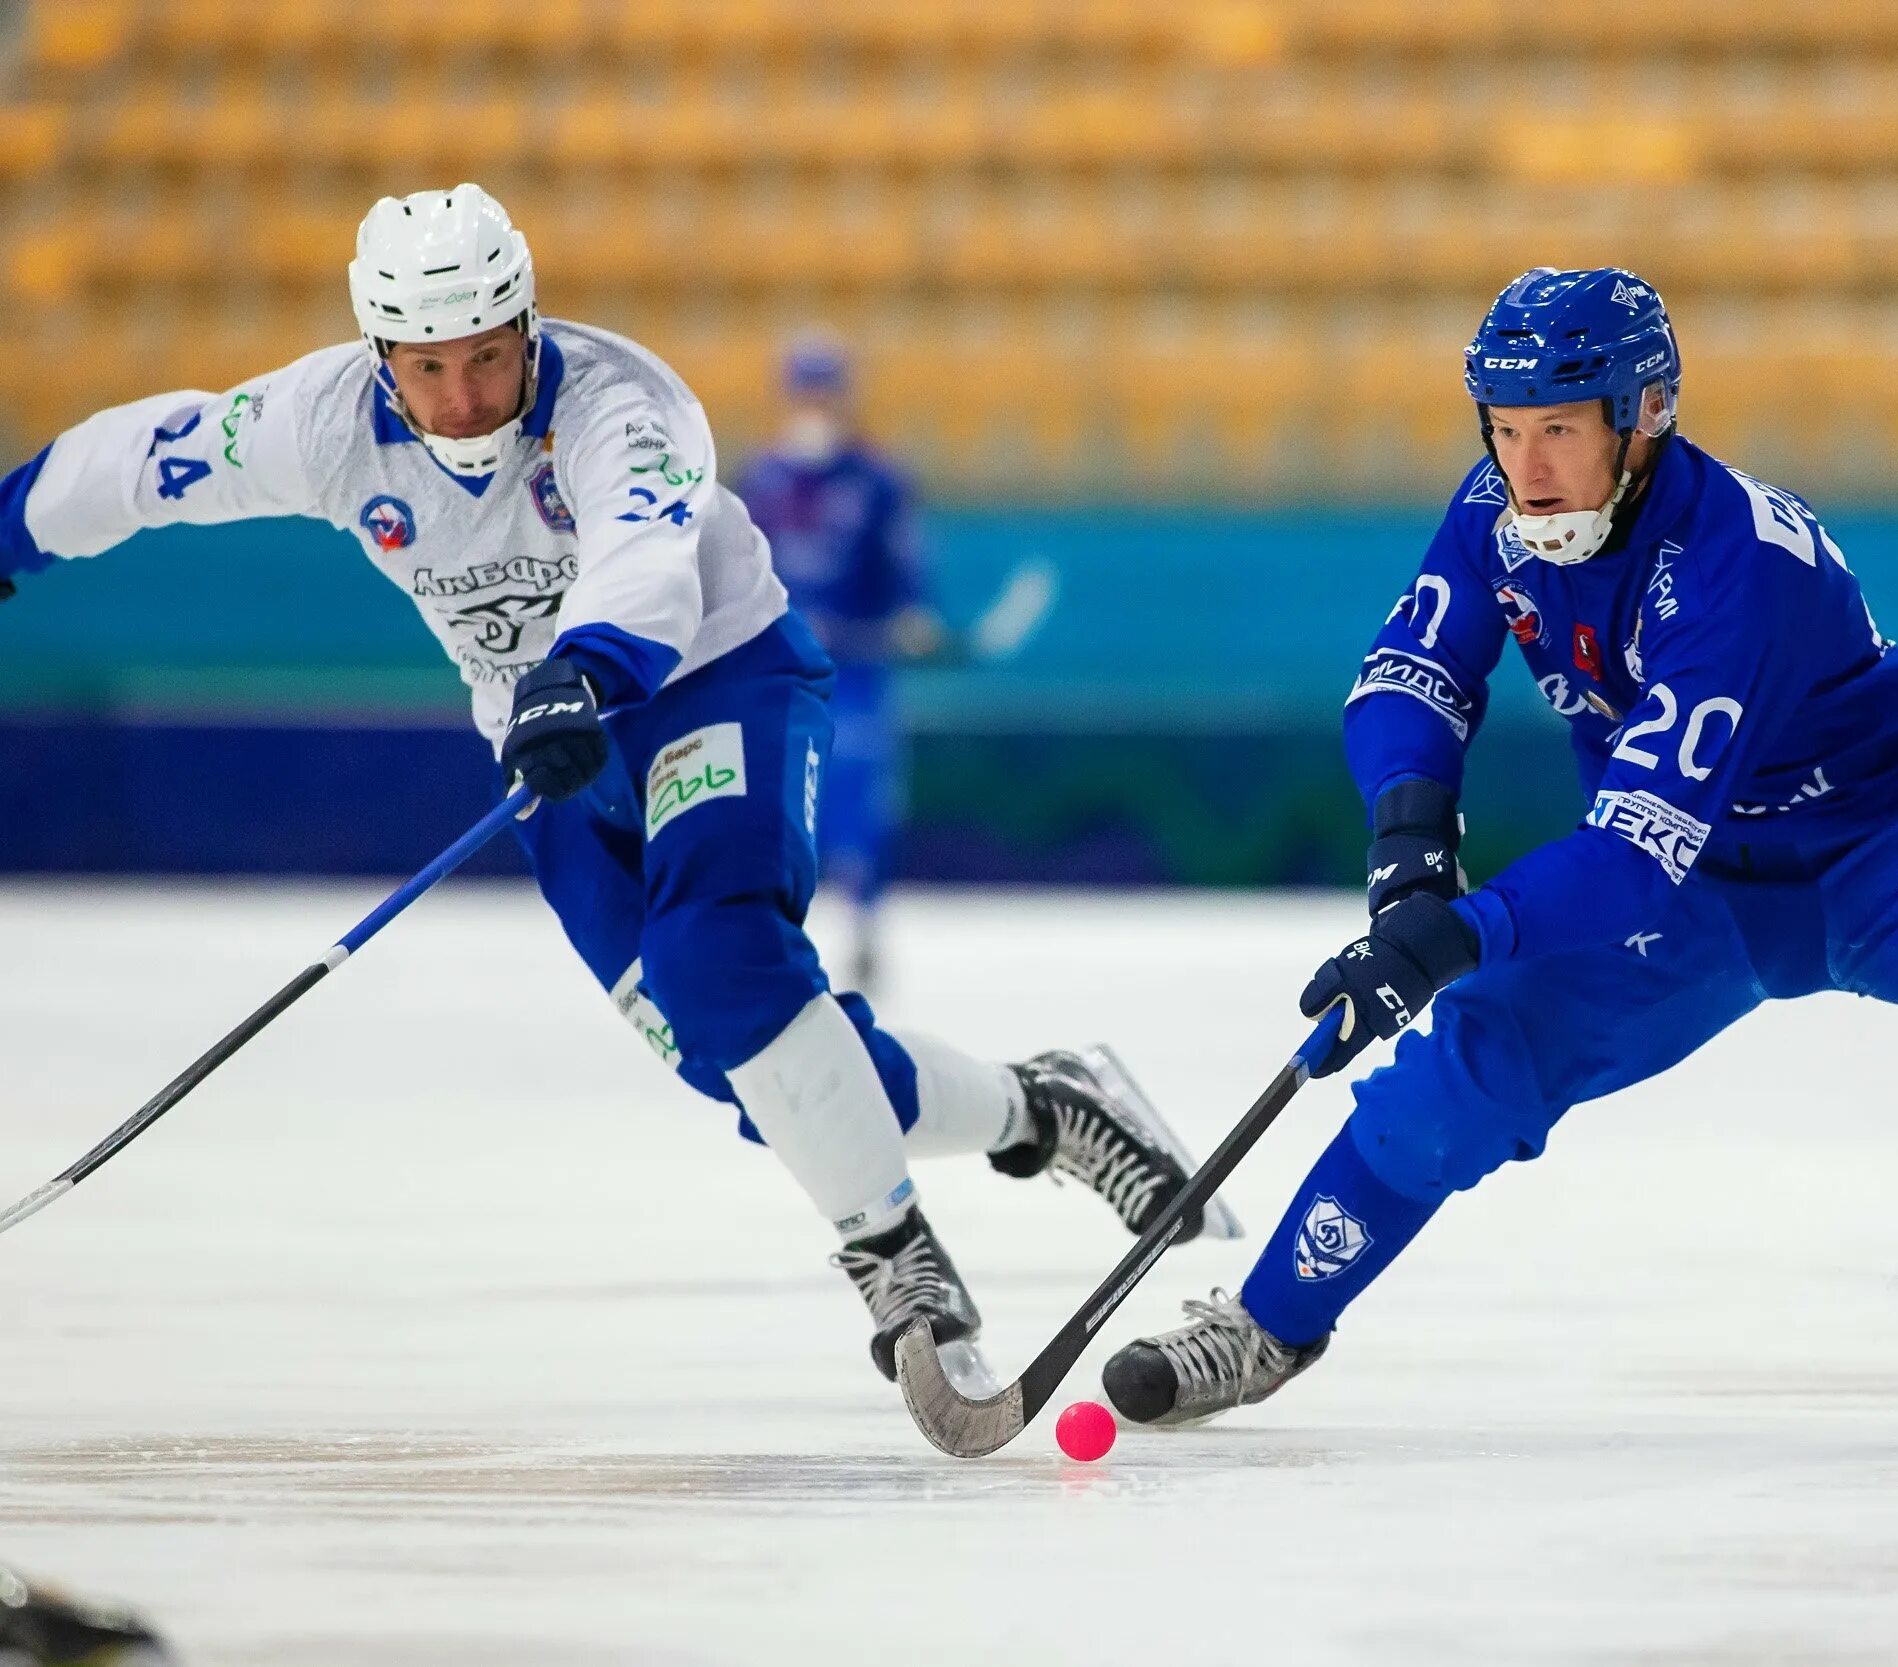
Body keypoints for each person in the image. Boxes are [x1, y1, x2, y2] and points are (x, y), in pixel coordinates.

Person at [0, 184, 1222, 1395]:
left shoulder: (622, 402)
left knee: (720, 957)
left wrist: (579, 669)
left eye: (489, 357)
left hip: (708, 681)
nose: (468, 398)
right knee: (738, 1057)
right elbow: (143, 458)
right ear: (381, 358)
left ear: (526, 324)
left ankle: (894, 1257)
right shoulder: (321, 421)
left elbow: (644, 553)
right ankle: (1040, 1108)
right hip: (551, 754)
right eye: (430, 371)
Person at [1103, 267, 1898, 1446]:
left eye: (1558, 429)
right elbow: (1410, 677)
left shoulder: (1737, 563)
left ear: (1643, 413)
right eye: (1505, 432)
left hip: (1876, 847)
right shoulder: (1493, 516)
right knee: (1463, 1077)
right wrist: (1408, 861)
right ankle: (1265, 1324)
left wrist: (1452, 935)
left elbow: (1629, 854)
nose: (1528, 468)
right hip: (1699, 892)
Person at [732, 337, 938, 992]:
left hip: (857, 671)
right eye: (806, 390)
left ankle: (867, 930)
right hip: (780, 671)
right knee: (779, 801)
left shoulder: (878, 481)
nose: (815, 405)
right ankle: (776, 933)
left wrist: (911, 614)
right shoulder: (760, 479)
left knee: (860, 801)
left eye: (825, 391)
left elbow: (906, 565)